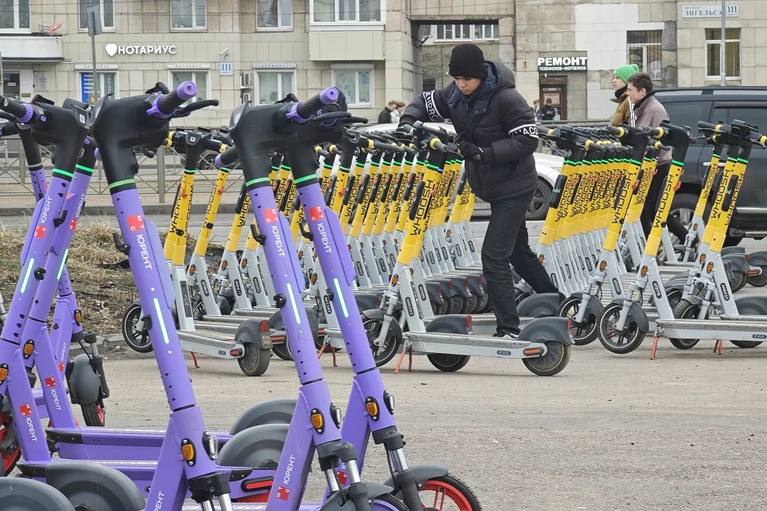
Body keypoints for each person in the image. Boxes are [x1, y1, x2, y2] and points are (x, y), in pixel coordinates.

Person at [398, 43, 560, 339]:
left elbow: (527, 141)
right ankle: (557, 303)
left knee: (493, 256)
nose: (461, 85)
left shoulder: (507, 99)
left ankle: (508, 328)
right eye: (457, 79)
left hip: (515, 186)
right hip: (490, 185)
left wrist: (485, 153)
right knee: (518, 252)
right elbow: (425, 100)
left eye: (467, 80)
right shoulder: (455, 94)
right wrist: (408, 120)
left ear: (480, 76)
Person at [626, 72, 689, 241]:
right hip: (652, 164)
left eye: (631, 90)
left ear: (642, 91)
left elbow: (657, 137)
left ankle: (684, 239)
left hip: (657, 166)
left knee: (651, 210)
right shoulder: (643, 106)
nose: (628, 93)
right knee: (652, 210)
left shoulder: (653, 108)